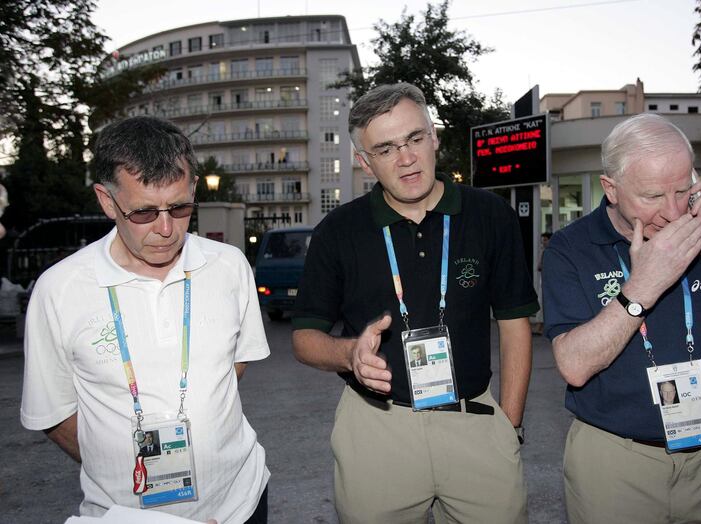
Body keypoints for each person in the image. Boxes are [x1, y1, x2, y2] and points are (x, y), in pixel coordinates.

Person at [292, 83, 538, 523]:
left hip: (475, 420)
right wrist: (348, 353)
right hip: (377, 429)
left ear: (435, 136)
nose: (406, 158)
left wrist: (510, 425)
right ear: (365, 162)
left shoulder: (490, 216)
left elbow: (515, 324)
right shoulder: (338, 231)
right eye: (386, 149)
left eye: (415, 139)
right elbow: (305, 339)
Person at [20, 116, 270, 523]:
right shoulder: (59, 289)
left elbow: (233, 366)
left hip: (241, 502)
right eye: (144, 213)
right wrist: (120, 466)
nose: (166, 228)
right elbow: (53, 413)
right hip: (125, 515)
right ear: (106, 201)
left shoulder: (229, 266)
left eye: (180, 207)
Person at [542, 113, 701, 524]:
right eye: (651, 196)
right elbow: (574, 366)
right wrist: (644, 284)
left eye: (683, 190)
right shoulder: (570, 247)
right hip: (617, 462)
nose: (672, 212)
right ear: (610, 189)